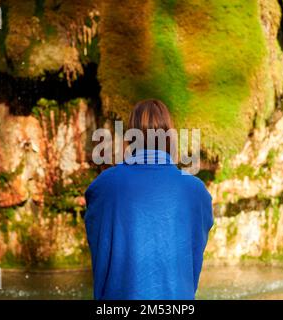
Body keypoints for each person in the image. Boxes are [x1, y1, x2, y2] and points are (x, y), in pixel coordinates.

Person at [84, 99, 213, 300]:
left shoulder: (103, 186)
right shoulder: (196, 191)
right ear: (170, 137)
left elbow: (99, 246)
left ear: (129, 138)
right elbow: (193, 256)